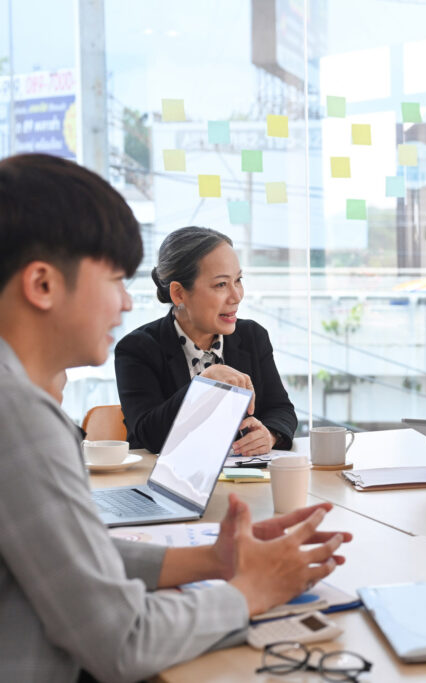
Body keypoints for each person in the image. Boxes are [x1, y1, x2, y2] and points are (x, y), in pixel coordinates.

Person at [0, 153, 351, 682]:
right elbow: (123, 640)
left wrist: (212, 560)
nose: (124, 302)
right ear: (43, 284)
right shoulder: (20, 416)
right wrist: (247, 595)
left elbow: (76, 561)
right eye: (116, 278)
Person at [115, 226, 297, 456]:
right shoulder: (137, 348)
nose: (237, 296)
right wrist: (203, 384)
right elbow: (148, 435)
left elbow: (280, 409)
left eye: (238, 280)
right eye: (221, 284)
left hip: (240, 480)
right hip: (163, 482)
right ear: (179, 293)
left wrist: (269, 434)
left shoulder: (252, 336)